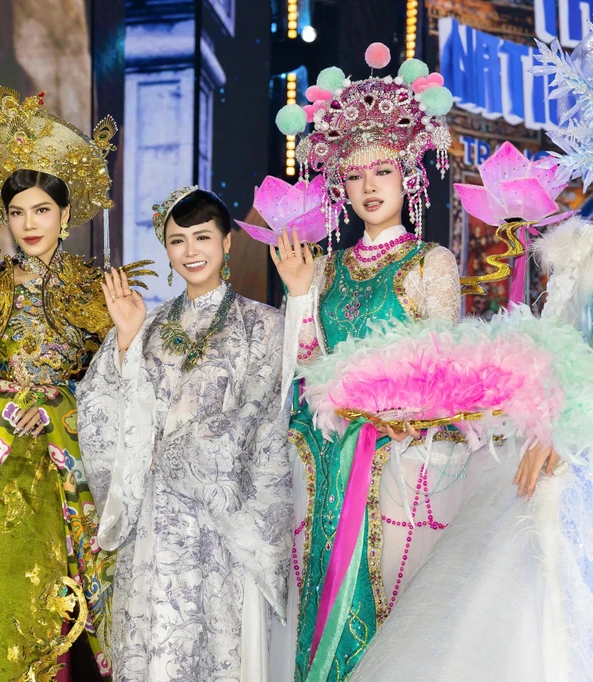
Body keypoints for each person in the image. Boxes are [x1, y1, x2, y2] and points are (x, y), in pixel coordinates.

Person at [0, 86, 152, 681]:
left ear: (65, 215)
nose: (29, 224)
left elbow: (120, 387)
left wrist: (55, 406)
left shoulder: (98, 293)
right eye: (17, 212)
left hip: (63, 472)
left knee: (53, 597)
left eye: (42, 210)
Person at [267, 45, 468, 681]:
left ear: (409, 176)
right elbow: (306, 370)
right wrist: (301, 297)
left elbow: (444, 371)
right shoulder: (324, 268)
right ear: (340, 187)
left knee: (398, 620)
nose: (370, 187)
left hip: (397, 465)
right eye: (355, 177)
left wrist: (389, 414)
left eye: (383, 171)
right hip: (324, 463)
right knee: (315, 604)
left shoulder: (431, 263)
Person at [76, 187, 292, 682]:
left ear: (227, 242)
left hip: (225, 516)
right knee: (160, 642)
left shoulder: (263, 325)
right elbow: (104, 408)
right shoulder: (146, 325)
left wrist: (190, 456)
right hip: (156, 517)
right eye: (178, 240)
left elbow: (264, 414)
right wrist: (126, 343)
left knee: (219, 638)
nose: (191, 251)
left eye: (203, 237)